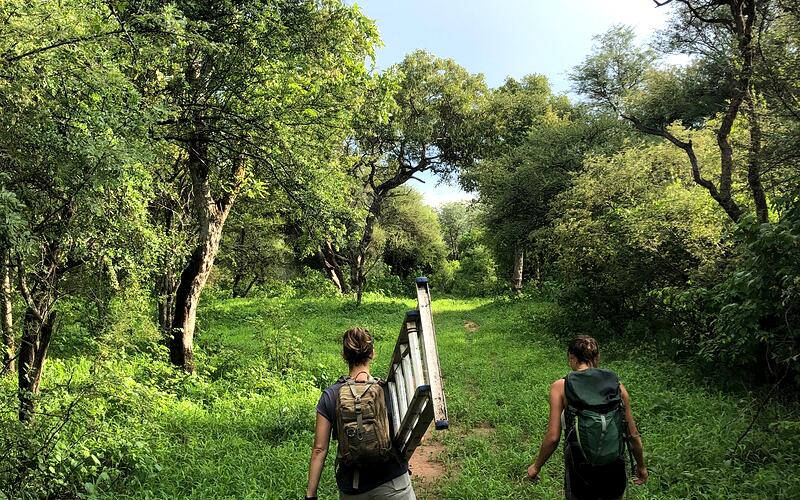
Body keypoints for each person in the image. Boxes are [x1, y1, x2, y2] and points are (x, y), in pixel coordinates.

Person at [526, 335, 648, 500]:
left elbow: (553, 438)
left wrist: (536, 467)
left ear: (571, 358)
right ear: (597, 357)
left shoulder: (560, 387)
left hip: (580, 465)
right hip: (614, 464)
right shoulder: (617, 386)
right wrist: (641, 466)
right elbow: (633, 434)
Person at [306, 327, 415, 500]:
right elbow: (412, 435)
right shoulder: (388, 389)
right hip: (393, 484)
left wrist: (310, 495)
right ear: (372, 353)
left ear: (344, 355)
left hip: (353, 490)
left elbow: (319, 449)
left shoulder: (330, 395)